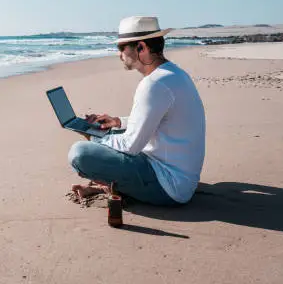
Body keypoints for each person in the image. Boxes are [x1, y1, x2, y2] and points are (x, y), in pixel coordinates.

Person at [68, 16, 205, 206]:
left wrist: (92, 135)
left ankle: (111, 186)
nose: (119, 54)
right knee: (113, 134)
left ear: (141, 47)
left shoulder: (154, 84)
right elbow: (160, 120)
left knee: (79, 153)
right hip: (182, 177)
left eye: (121, 48)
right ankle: (112, 185)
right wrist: (117, 122)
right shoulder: (174, 74)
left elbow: (131, 146)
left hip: (168, 186)